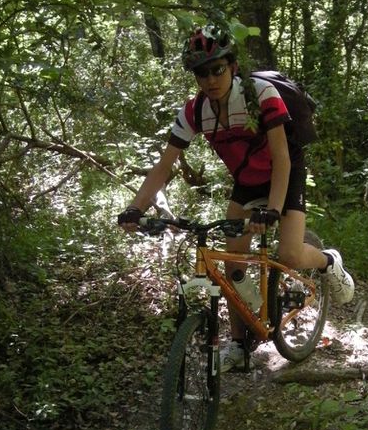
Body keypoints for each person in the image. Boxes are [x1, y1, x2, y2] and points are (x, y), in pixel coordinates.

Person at [118, 24, 354, 371]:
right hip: (246, 180)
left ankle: (328, 262)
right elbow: (163, 166)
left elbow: (282, 157)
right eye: (202, 73)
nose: (211, 79)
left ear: (232, 66)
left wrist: (272, 211)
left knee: (287, 252)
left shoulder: (260, 94)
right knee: (232, 262)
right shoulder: (195, 111)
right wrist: (135, 208)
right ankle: (241, 343)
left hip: (283, 174)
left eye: (217, 69)